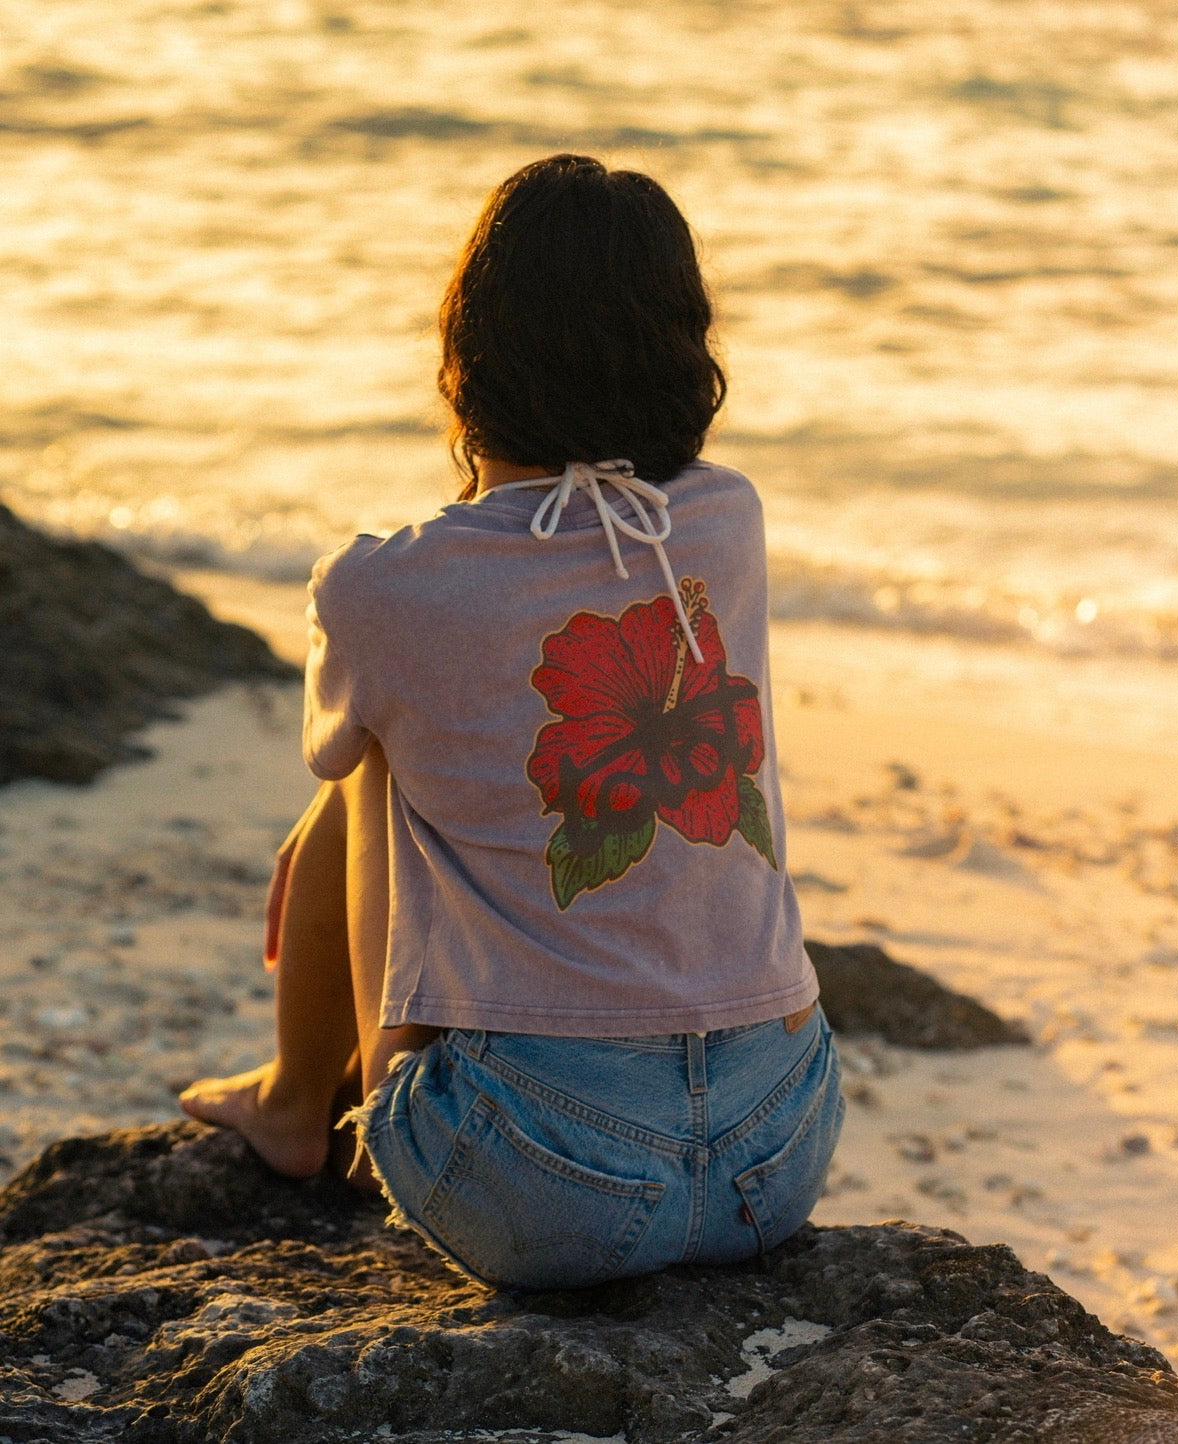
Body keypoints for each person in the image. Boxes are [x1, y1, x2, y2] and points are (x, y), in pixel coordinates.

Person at [180, 153, 844, 1290]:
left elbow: (351, 767)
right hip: (778, 1152)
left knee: (364, 769)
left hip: (539, 1180)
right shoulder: (728, 519)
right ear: (690, 352)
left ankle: (295, 1103)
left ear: (466, 355)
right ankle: (300, 1099)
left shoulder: (382, 586)